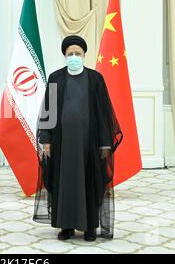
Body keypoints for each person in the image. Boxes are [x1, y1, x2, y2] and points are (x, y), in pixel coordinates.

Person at [33, 35, 123, 242]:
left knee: (90, 182)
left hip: (89, 143)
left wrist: (104, 142)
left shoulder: (95, 79)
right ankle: (66, 226)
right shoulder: (56, 78)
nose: (74, 57)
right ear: (65, 55)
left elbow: (103, 113)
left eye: (78, 54)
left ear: (84, 55)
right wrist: (46, 139)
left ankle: (90, 226)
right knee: (64, 184)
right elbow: (48, 111)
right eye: (70, 54)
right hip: (62, 143)